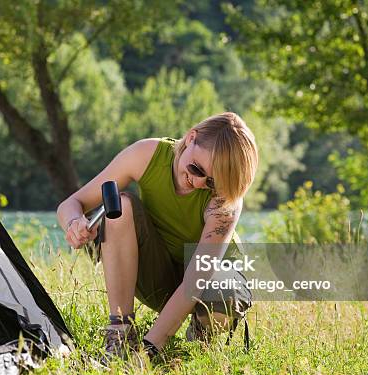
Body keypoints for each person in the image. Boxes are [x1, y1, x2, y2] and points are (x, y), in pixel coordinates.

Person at [56, 112, 258, 359]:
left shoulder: (225, 201)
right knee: (121, 205)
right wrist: (74, 223)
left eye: (211, 182)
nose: (197, 183)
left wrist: (151, 348)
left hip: (207, 283)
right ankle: (120, 335)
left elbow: (197, 278)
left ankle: (198, 344)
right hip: (161, 275)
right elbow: (72, 203)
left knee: (223, 289)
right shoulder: (146, 155)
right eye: (196, 169)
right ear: (191, 137)